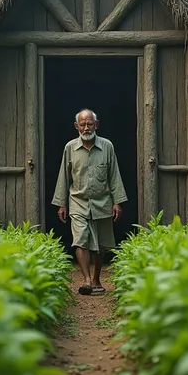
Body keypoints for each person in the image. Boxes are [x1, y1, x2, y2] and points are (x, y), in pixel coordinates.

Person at [52, 108, 128, 295]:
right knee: (80, 240)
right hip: (77, 200)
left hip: (102, 202)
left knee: (100, 245)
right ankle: (86, 281)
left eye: (90, 124)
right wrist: (62, 203)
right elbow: (64, 176)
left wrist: (117, 202)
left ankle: (96, 279)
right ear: (76, 126)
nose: (86, 128)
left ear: (97, 125)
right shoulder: (70, 147)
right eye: (83, 124)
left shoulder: (107, 146)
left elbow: (114, 175)